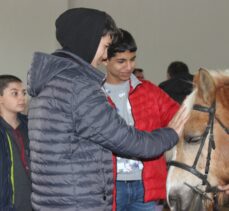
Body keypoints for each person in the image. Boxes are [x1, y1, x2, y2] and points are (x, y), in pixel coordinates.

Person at [27, 8, 189, 211]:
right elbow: (126, 140)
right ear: (88, 40)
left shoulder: (48, 83)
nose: (105, 55)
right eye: (105, 46)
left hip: (54, 200)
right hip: (78, 202)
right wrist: (170, 134)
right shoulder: (79, 87)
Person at [103, 29, 180, 211]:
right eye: (121, 61)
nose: (129, 67)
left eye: (132, 59)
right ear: (105, 59)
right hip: (109, 189)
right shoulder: (94, 95)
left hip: (146, 187)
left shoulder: (149, 91)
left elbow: (180, 116)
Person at [0, 75, 32, 211]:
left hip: (35, 202)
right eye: (15, 93)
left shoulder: (32, 124)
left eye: (23, 93)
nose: (22, 98)